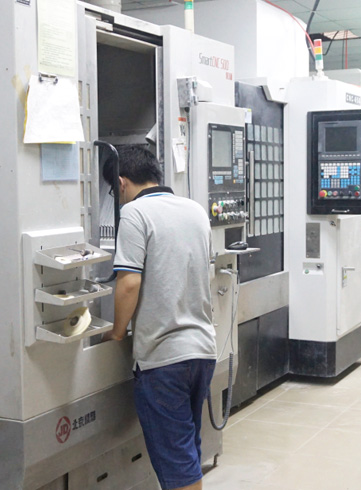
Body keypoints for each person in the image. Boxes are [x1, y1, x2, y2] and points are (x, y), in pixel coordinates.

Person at [102, 145, 217, 490]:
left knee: (178, 466)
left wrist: (117, 332)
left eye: (114, 191)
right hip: (202, 351)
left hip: (164, 359)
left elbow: (128, 283)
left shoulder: (135, 214)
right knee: (187, 451)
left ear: (122, 183)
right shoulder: (195, 210)